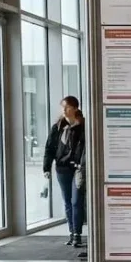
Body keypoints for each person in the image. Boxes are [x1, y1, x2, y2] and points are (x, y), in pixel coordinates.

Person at [43, 96, 86, 248]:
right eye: (63, 107)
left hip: (78, 169)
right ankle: (72, 233)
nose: (64, 110)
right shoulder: (58, 127)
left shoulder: (83, 126)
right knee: (68, 201)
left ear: (75, 108)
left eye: (67, 107)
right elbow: (49, 148)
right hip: (62, 168)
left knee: (76, 201)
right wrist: (46, 168)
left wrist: (83, 163)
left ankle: (77, 234)